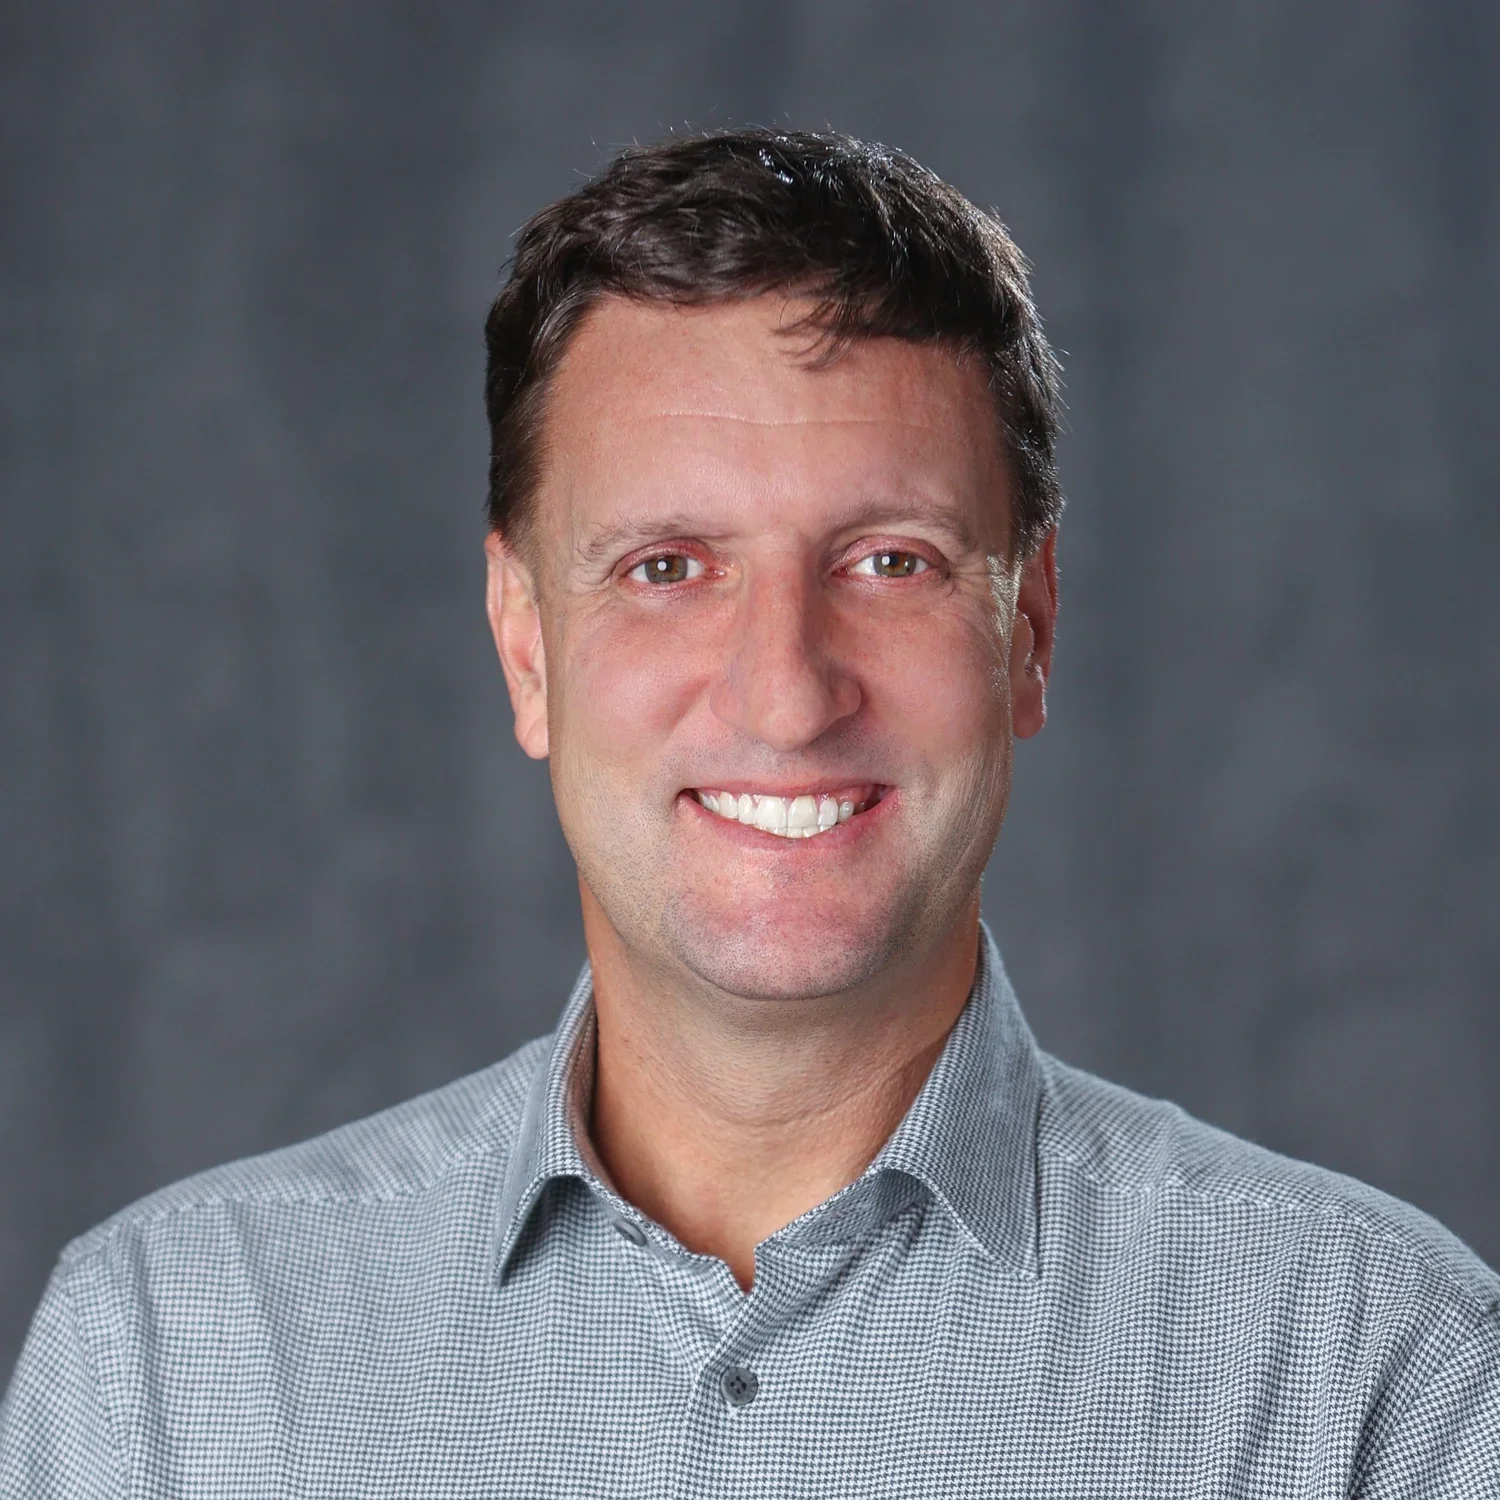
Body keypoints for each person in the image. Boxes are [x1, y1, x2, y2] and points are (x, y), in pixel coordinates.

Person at [2, 128, 1496, 1499]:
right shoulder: (166, 1365)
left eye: (891, 561)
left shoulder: (1376, 1374)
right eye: (667, 567)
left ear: (1028, 630)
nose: (786, 696)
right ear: (526, 646)